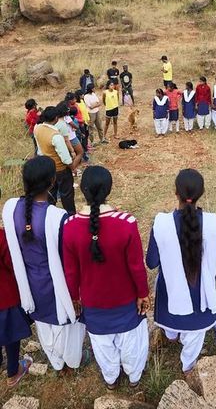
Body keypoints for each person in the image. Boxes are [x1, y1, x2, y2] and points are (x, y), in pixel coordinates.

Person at [63, 166, 150, 389]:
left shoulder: (70, 226)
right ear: (109, 189)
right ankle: (134, 378)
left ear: (82, 190)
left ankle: (111, 380)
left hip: (93, 305)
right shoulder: (126, 223)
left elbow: (71, 272)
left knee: (102, 347)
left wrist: (74, 298)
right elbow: (136, 266)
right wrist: (143, 294)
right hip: (126, 302)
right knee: (131, 344)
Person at [2, 157, 85, 371]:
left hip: (28, 283)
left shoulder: (11, 208)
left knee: (43, 323)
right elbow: (69, 258)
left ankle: (57, 363)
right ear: (52, 181)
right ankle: (73, 361)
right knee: (66, 325)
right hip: (55, 284)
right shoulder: (58, 217)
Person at [147, 169, 216, 373]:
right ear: (202, 192)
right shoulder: (213, 222)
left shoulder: (161, 222)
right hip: (201, 298)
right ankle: (188, 365)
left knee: (172, 309)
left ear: (175, 193)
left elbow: (151, 262)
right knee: (195, 335)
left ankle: (171, 336)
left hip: (169, 299)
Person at [0, 226, 32, 387]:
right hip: (4, 296)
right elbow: (12, 265)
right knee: (10, 334)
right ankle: (13, 372)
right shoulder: (0, 236)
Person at [34, 106, 76, 214]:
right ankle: (70, 216)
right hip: (60, 169)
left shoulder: (37, 128)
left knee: (50, 194)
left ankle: (48, 215)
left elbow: (39, 150)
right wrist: (73, 168)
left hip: (47, 168)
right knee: (66, 195)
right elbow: (66, 159)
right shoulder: (56, 136)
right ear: (56, 118)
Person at [55, 102, 82, 178]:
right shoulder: (66, 117)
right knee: (80, 153)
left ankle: (72, 169)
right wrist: (77, 127)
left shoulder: (56, 119)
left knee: (68, 156)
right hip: (71, 138)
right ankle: (73, 169)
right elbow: (73, 125)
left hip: (63, 139)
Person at [75, 90, 90, 159]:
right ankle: (85, 149)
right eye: (82, 95)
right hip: (81, 122)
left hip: (85, 120)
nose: (83, 95)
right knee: (83, 136)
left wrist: (88, 119)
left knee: (87, 134)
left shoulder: (82, 101)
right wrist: (82, 121)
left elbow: (85, 110)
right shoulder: (76, 104)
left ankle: (86, 146)